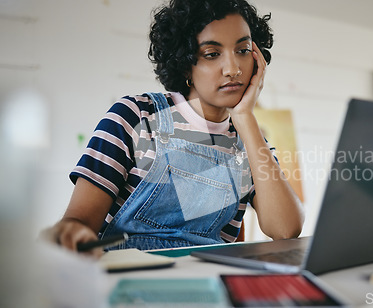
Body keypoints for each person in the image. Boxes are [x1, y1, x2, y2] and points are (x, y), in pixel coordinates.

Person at [41, 0, 304, 256]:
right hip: (127, 282)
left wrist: (245, 117)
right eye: (212, 54)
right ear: (185, 62)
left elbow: (285, 229)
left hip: (205, 286)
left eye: (243, 50)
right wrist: (72, 232)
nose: (233, 69)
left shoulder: (252, 144)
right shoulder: (135, 116)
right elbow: (80, 221)